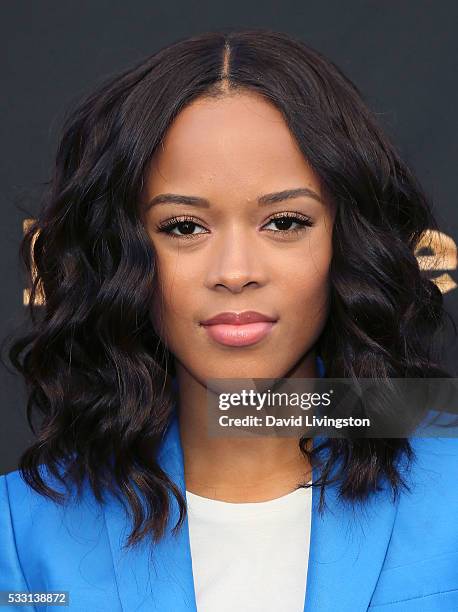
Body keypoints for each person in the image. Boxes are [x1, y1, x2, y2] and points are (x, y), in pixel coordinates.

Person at [1, 29, 457, 612]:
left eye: (285, 222)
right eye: (184, 228)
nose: (235, 272)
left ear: (347, 240)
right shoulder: (20, 531)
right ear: (123, 256)